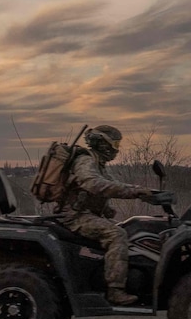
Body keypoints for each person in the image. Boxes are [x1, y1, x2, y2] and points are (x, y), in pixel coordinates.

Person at [56, 125, 155, 306]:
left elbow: (110, 184)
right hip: (76, 217)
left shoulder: (98, 163)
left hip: (87, 214)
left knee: (131, 230)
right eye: (115, 144)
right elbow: (94, 184)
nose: (116, 149)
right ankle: (115, 290)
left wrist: (144, 193)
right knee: (117, 235)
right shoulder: (85, 160)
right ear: (103, 144)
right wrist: (135, 192)